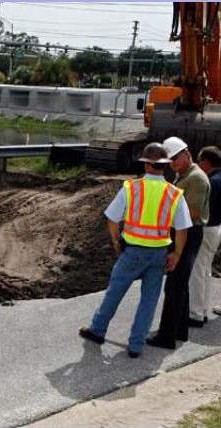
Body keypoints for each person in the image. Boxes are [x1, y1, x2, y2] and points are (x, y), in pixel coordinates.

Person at [79, 142, 191, 358]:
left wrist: (115, 241)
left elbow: (112, 219)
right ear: (165, 164)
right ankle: (136, 346)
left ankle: (98, 330)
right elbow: (183, 229)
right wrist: (176, 254)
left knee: (114, 292)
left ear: (147, 164)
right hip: (159, 254)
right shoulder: (174, 193)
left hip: (132, 253)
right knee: (149, 301)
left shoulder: (131, 188)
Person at [146, 136, 209, 350]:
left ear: (186, 153)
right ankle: (179, 330)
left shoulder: (196, 179)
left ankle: (166, 336)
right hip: (184, 233)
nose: (171, 164)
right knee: (180, 285)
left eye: (174, 159)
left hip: (189, 234)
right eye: (169, 161)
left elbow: (191, 214)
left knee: (174, 286)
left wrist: (162, 214)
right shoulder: (184, 176)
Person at [188, 146, 221, 326]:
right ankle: (203, 310)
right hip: (216, 229)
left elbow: (201, 210)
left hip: (207, 229)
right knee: (206, 270)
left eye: (200, 160)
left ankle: (196, 314)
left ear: (206, 162)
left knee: (198, 272)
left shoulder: (211, 183)